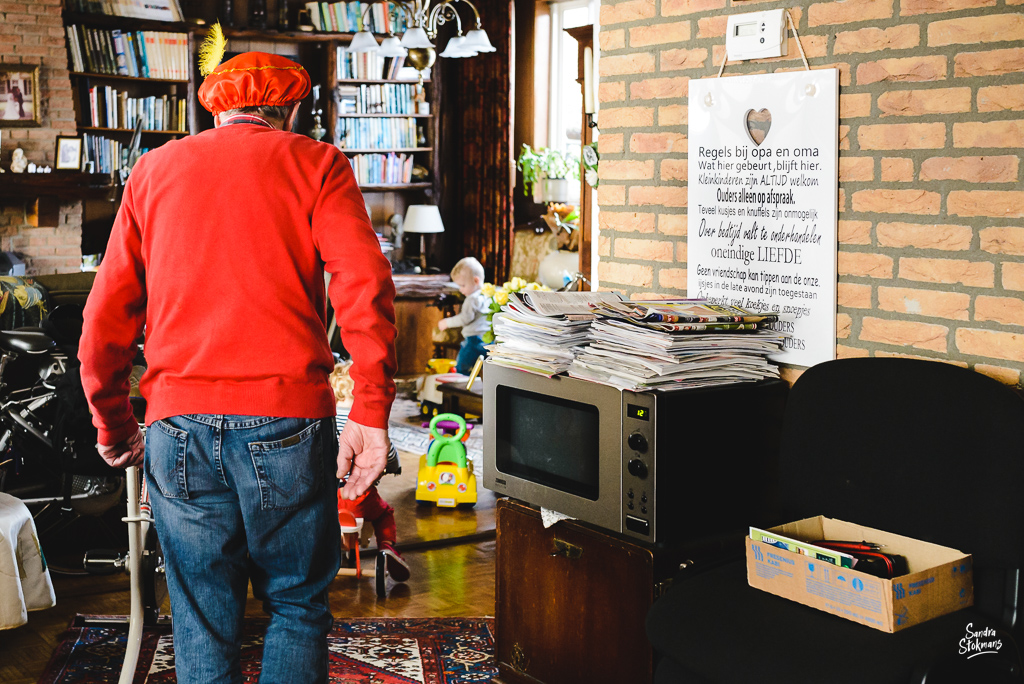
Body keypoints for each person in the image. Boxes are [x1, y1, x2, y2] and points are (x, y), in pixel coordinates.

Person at [78, 46, 397, 684]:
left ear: (216, 107)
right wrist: (370, 409)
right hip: (287, 422)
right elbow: (365, 286)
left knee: (201, 616)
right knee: (297, 604)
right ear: (292, 107)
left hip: (178, 427)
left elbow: (103, 322)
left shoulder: (153, 171)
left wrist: (114, 425)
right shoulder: (318, 163)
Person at [331, 361, 410, 582]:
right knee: (384, 514)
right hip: (359, 495)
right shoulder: (367, 425)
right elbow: (387, 454)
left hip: (328, 496)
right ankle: (387, 548)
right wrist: (394, 468)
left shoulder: (328, 422)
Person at [437, 257, 490, 375]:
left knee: (462, 367)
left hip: (473, 341)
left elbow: (465, 318)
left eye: (462, 285)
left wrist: (447, 322)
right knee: (487, 369)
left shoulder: (471, 300)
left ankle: (461, 386)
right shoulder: (487, 294)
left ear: (476, 281)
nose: (460, 290)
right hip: (488, 340)